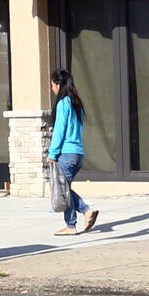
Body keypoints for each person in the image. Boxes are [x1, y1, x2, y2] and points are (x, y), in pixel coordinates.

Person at [48, 70, 99, 236]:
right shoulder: (77, 103)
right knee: (66, 188)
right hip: (78, 153)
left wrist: (52, 153)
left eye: (53, 84)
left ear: (59, 84)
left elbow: (59, 131)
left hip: (66, 153)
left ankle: (74, 222)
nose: (52, 88)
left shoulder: (63, 104)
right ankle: (82, 214)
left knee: (64, 190)